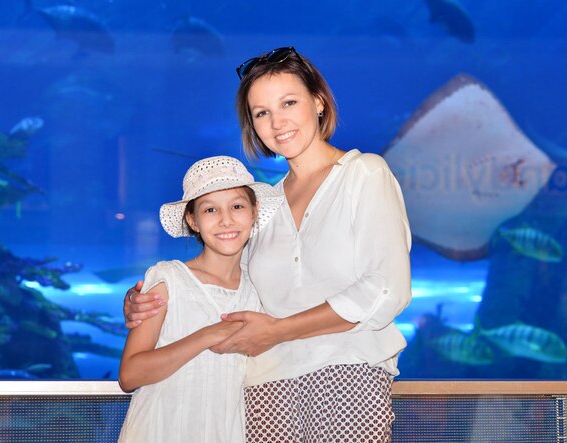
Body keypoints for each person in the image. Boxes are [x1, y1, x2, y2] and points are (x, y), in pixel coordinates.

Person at [125, 46, 412, 442]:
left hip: (349, 369)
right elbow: (226, 282)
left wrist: (279, 330)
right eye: (262, 113)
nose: (277, 122)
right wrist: (148, 300)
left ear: (318, 102)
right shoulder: (265, 206)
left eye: (288, 103)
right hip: (264, 385)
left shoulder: (363, 174)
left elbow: (385, 288)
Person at [118, 155, 283, 442]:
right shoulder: (168, 280)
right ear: (192, 221)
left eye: (237, 206)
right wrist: (206, 335)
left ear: (254, 212)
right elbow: (130, 375)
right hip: (160, 429)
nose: (226, 220)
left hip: (225, 431)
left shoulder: (259, 289)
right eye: (210, 210)